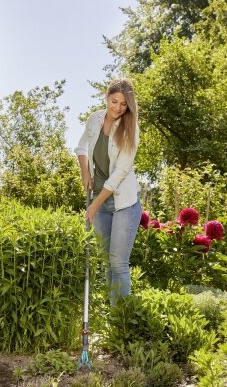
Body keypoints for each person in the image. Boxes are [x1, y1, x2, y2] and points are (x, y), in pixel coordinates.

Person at [74, 77, 142, 306]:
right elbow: (82, 146)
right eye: (114, 101)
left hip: (123, 202)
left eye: (124, 104)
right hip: (100, 201)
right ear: (106, 97)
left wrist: (94, 205)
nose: (118, 108)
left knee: (118, 263)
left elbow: (119, 174)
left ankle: (120, 322)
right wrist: (85, 171)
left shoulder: (129, 129)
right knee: (105, 261)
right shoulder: (94, 119)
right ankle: (112, 315)